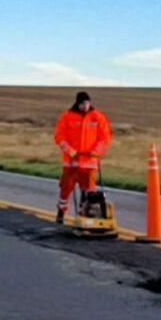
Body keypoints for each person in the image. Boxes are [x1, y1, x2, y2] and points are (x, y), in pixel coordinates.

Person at [53, 91, 113, 224]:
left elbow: (105, 137)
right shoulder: (67, 117)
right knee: (66, 188)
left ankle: (84, 213)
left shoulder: (98, 117)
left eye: (87, 103)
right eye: (83, 104)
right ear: (77, 103)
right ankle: (61, 211)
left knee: (89, 190)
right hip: (71, 161)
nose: (85, 106)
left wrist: (97, 151)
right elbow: (59, 137)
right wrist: (69, 150)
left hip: (89, 162)